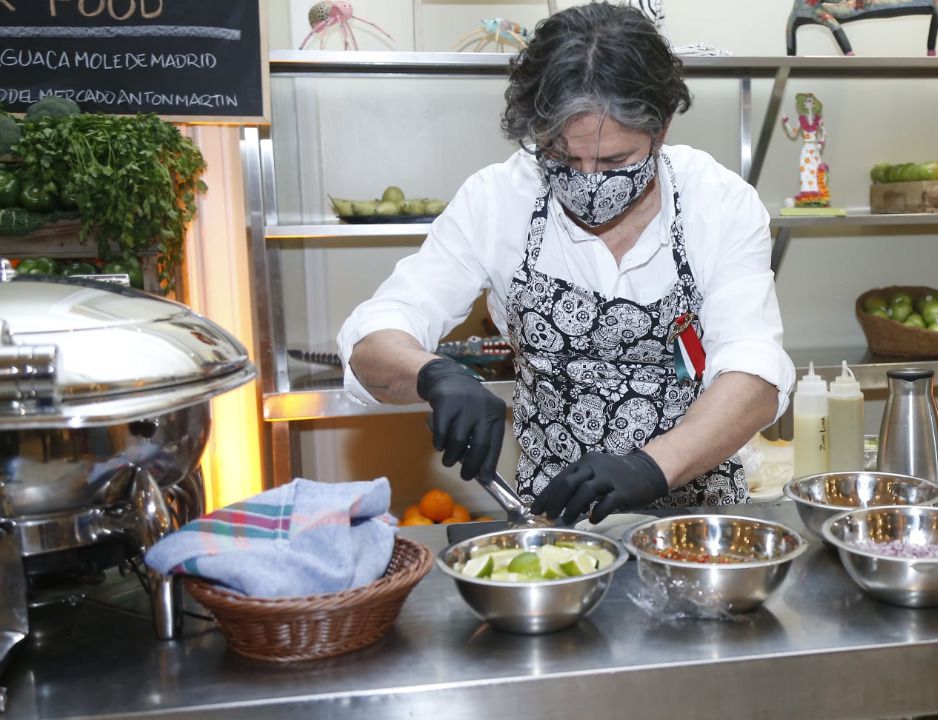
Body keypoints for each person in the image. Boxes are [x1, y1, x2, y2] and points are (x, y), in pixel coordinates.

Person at [337, 2, 793, 526]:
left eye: (614, 161)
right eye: (562, 157)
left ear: (662, 128)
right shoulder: (497, 200)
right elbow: (374, 336)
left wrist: (651, 466)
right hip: (557, 526)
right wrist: (431, 373)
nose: (587, 178)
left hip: (696, 521)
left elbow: (753, 374)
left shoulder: (719, 204)